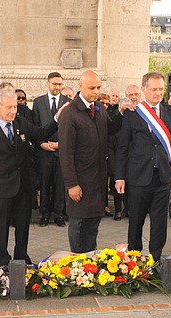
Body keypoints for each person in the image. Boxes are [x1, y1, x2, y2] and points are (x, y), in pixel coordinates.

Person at [0, 85, 60, 267]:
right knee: (1, 227)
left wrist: (56, 119)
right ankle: (2, 261)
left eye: (15, 107)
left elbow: (42, 133)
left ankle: (21, 257)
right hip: (0, 188)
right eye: (9, 107)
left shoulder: (20, 123)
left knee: (23, 226)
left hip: (23, 186)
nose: (14, 111)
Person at [115, 72, 171, 261]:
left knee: (159, 224)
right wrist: (119, 177)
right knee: (136, 222)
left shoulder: (170, 112)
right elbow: (122, 147)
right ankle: (134, 261)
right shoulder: (132, 113)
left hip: (162, 177)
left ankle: (155, 260)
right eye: (154, 89)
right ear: (143, 89)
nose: (158, 93)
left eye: (161, 89)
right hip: (138, 177)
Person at [58, 70, 121, 253]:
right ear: (80, 86)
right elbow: (66, 152)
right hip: (79, 181)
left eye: (99, 87)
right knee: (79, 225)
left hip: (97, 181)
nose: (96, 91)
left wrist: (122, 113)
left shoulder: (99, 108)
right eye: (91, 87)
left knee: (92, 226)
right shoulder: (70, 113)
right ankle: (77, 264)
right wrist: (72, 184)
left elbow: (110, 129)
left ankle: (89, 263)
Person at [32, 72, 71, 228]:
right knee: (44, 183)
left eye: (60, 84)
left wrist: (61, 144)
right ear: (48, 84)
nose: (57, 87)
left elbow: (70, 128)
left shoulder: (68, 102)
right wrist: (41, 143)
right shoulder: (38, 102)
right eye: (55, 84)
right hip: (44, 151)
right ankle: (45, 214)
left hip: (60, 151)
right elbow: (34, 126)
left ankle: (59, 214)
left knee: (60, 184)